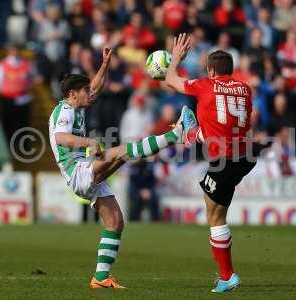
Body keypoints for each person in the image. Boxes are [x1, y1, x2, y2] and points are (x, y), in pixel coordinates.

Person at [48, 47, 196, 289]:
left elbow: (95, 86)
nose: (91, 94)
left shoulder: (75, 105)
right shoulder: (65, 111)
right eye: (85, 91)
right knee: (122, 151)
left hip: (84, 168)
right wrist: (89, 141)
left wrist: (105, 63)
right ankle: (177, 133)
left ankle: (101, 278)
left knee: (115, 222)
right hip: (77, 170)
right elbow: (61, 138)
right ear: (73, 94)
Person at [165, 33, 256, 293]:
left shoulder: (206, 85)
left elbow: (171, 80)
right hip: (245, 155)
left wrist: (176, 59)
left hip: (225, 159)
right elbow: (225, 122)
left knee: (214, 213)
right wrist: (197, 132)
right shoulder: (245, 89)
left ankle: (228, 276)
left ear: (211, 70)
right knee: (217, 210)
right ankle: (193, 131)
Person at [0, 45, 35, 143]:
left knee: (24, 123)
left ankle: (23, 145)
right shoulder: (2, 64)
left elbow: (31, 78)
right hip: (8, 99)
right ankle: (8, 143)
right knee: (8, 122)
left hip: (23, 97)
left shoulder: (26, 64)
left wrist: (24, 89)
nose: (14, 52)